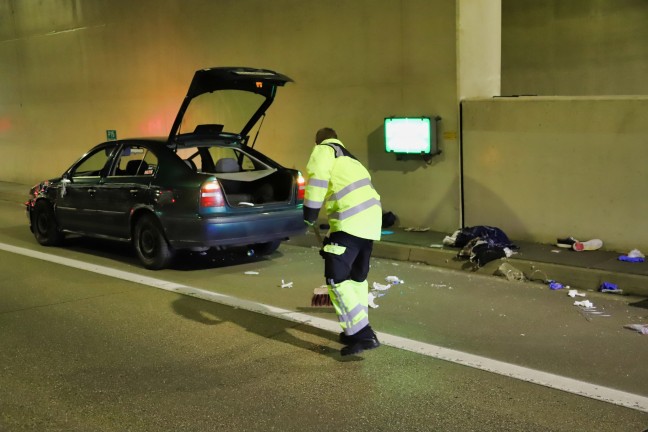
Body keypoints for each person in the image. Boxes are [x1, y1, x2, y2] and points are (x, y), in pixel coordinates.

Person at [304, 127, 383, 356]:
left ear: (318, 141)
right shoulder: (350, 158)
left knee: (336, 279)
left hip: (349, 222)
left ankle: (363, 334)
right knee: (356, 278)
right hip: (368, 225)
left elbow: (317, 179)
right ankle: (353, 331)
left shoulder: (323, 150)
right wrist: (330, 238)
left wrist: (310, 212)